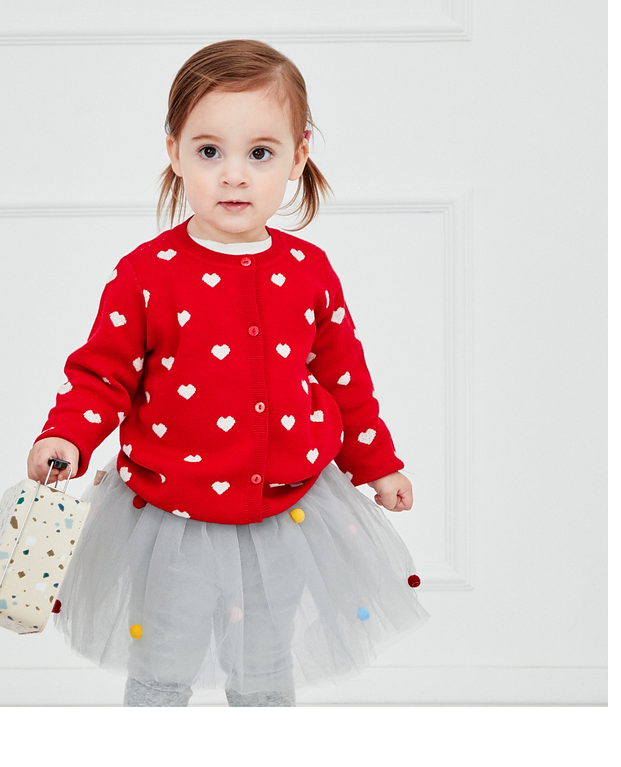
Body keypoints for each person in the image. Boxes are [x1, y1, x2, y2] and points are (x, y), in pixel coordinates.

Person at [27, 39, 429, 707]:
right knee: (163, 658)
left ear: (298, 156)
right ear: (175, 152)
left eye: (260, 153)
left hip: (286, 513)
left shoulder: (308, 271)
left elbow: (344, 379)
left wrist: (377, 464)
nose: (234, 176)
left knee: (265, 662)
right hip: (172, 512)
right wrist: (67, 434)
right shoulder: (147, 274)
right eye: (210, 151)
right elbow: (102, 372)